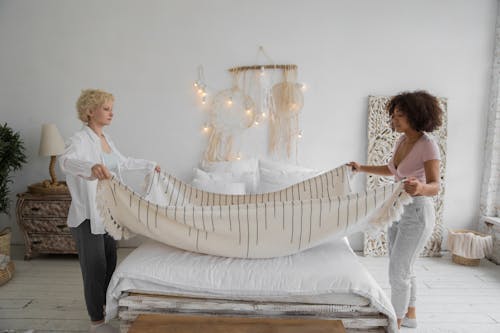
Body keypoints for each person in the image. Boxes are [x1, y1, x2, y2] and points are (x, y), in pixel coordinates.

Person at [59, 89, 160, 333]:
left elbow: (122, 162)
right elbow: (65, 161)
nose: (112, 113)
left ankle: (104, 310)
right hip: (88, 217)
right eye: (106, 108)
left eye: (112, 108)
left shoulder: (106, 139)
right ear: (90, 111)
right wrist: (90, 167)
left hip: (108, 215)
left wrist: (150, 165)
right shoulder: (80, 140)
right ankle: (96, 323)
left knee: (109, 264)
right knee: (94, 270)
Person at [348, 90, 442, 330]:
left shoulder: (427, 145)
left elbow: (435, 186)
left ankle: (394, 323)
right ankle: (410, 315)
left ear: (416, 116)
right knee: (404, 268)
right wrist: (361, 168)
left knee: (398, 272)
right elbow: (392, 170)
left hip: (418, 214)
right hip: (398, 211)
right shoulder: (402, 140)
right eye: (394, 114)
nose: (394, 119)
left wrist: (420, 186)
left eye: (400, 115)